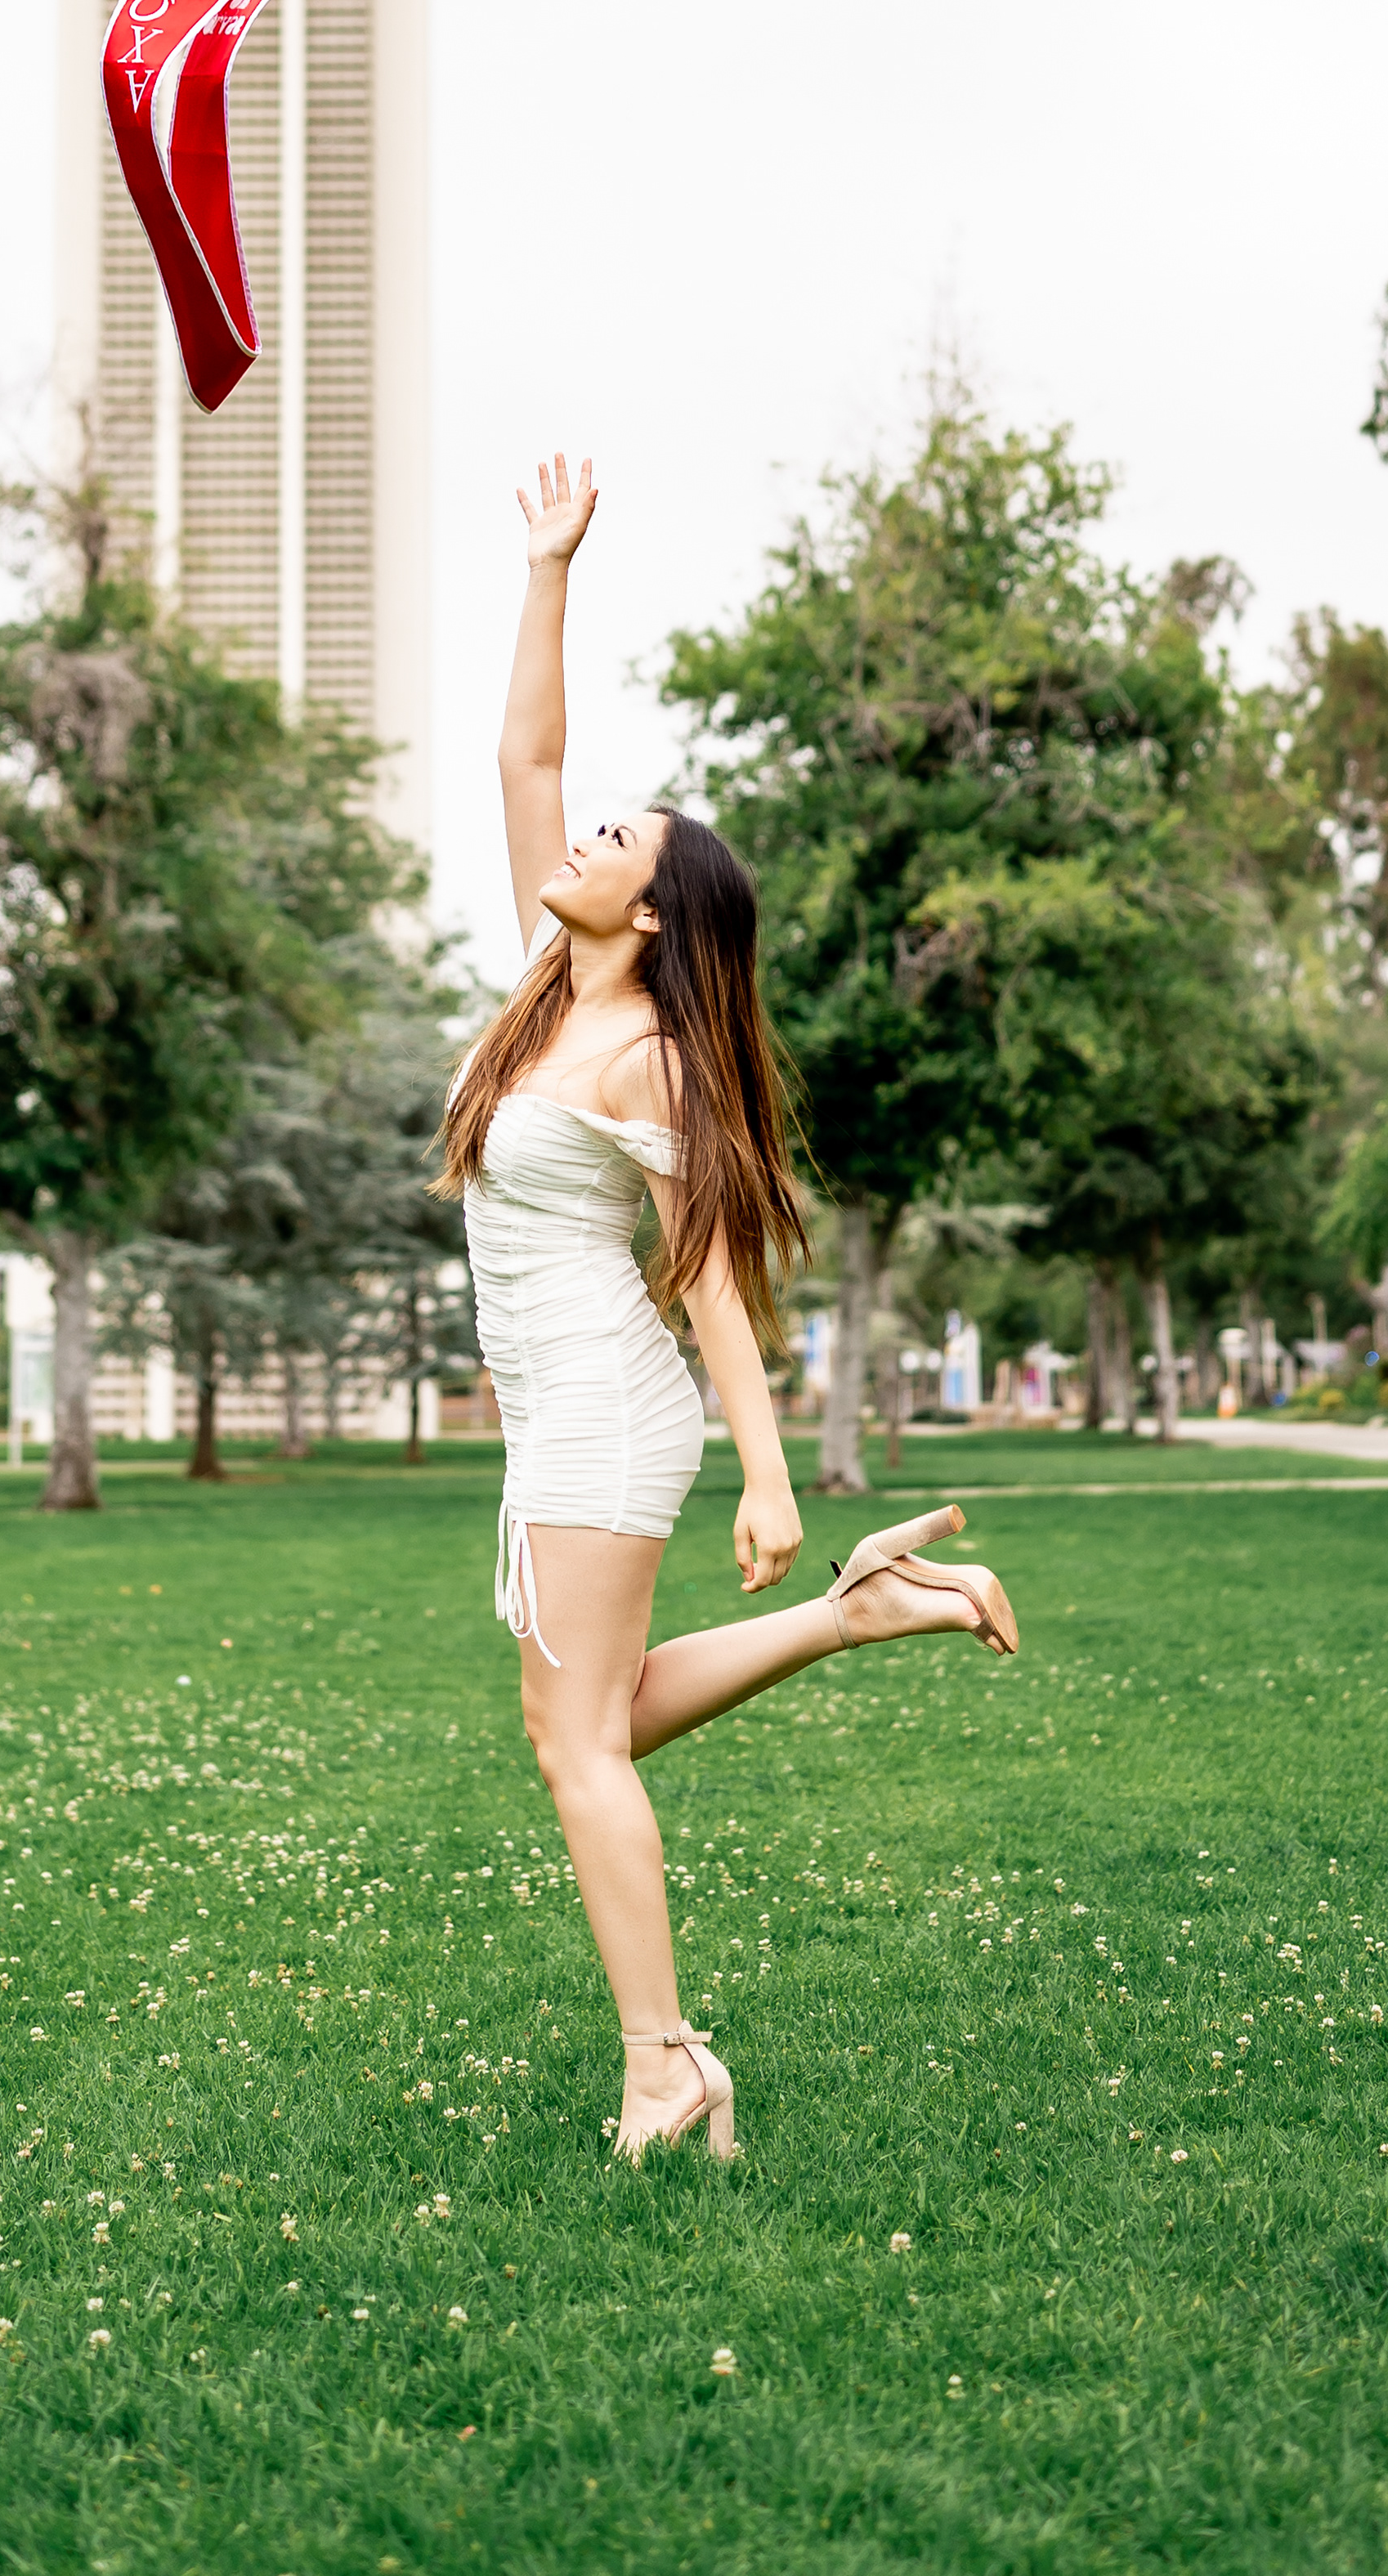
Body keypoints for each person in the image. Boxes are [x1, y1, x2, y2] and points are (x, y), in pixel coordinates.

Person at [435, 453, 1017, 2163]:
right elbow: (524, 759)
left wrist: (766, 1472)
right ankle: (859, 1615)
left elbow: (705, 1280)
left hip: (608, 1410)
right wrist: (550, 568)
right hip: (559, 1404)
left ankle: (664, 2065)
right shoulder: (548, 988)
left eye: (618, 841)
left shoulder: (651, 1059)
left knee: (576, 1750)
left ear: (652, 908)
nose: (584, 834)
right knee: (591, 1719)